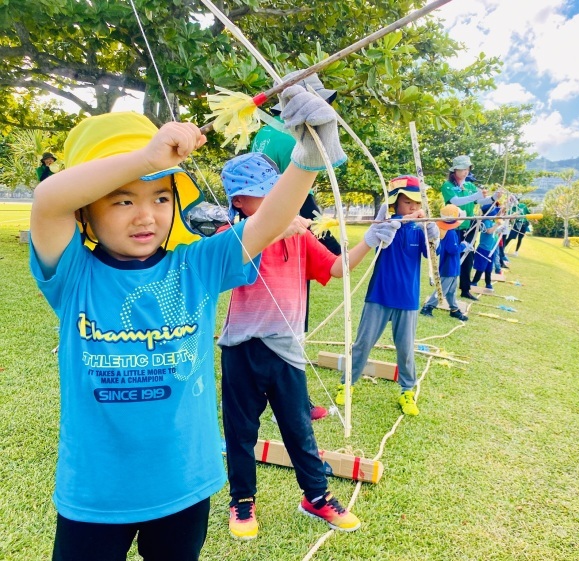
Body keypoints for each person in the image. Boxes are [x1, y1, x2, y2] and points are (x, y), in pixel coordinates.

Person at [28, 83, 344, 561]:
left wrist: (308, 156)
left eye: (160, 196)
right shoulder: (73, 273)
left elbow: (267, 221)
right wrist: (146, 157)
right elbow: (49, 200)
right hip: (95, 495)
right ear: (86, 208)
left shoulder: (195, 265)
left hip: (185, 485)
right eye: (121, 200)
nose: (146, 215)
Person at [217, 152, 399, 541]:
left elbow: (335, 268)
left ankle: (316, 497)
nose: (272, 201)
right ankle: (242, 500)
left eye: (275, 192)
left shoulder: (300, 237)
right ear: (238, 202)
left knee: (299, 429)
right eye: (261, 195)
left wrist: (369, 240)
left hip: (285, 351)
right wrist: (281, 226)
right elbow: (238, 248)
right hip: (240, 348)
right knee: (240, 430)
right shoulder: (228, 236)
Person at [252, 72, 340, 420]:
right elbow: (305, 195)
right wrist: (332, 240)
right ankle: (290, 404)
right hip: (284, 229)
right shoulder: (293, 135)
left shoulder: (266, 131)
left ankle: (280, 400)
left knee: (273, 323)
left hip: (266, 230)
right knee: (289, 321)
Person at [334, 175, 440, 416]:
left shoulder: (419, 228)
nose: (413, 208)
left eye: (417, 203)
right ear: (395, 204)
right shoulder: (386, 224)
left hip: (408, 299)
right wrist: (402, 219)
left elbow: (431, 255)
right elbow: (385, 233)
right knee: (362, 344)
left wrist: (432, 235)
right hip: (379, 296)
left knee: (405, 349)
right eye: (407, 203)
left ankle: (407, 390)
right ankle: (346, 384)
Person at [440, 155, 495, 301]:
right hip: (453, 227)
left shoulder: (470, 186)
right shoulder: (447, 186)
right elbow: (455, 202)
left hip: (469, 227)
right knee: (452, 257)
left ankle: (465, 289)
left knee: (468, 258)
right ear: (455, 170)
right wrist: (475, 196)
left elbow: (480, 200)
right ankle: (445, 289)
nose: (465, 171)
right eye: (462, 169)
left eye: (467, 168)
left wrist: (494, 198)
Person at [420, 204, 467, 321]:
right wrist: (463, 246)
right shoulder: (450, 233)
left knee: (451, 291)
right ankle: (428, 307)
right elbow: (452, 250)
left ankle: (454, 310)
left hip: (453, 267)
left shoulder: (450, 231)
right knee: (442, 290)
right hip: (448, 267)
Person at [471, 204, 500, 292]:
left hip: (491, 249)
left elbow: (498, 216)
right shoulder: (486, 221)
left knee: (489, 268)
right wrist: (497, 225)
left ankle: (488, 283)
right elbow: (489, 231)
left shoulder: (490, 221)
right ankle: (474, 282)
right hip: (484, 249)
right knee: (481, 267)